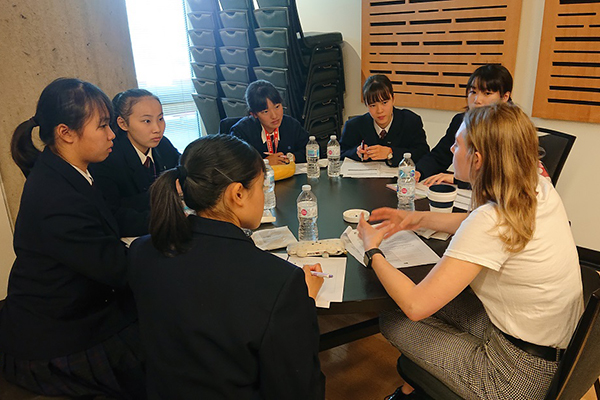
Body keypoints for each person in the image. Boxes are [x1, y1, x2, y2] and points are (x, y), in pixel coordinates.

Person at [358, 102, 583, 400]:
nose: (451, 149)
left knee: (394, 316)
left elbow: (415, 305)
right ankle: (423, 380)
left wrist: (372, 250)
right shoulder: (537, 186)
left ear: (477, 159)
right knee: (445, 301)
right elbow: (474, 223)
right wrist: (415, 218)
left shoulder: (490, 219)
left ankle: (426, 384)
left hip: (516, 377)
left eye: (457, 144)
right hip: (561, 351)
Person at [127, 134, 325, 399]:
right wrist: (304, 300)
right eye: (262, 185)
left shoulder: (142, 251)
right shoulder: (279, 282)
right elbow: (298, 389)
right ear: (238, 193)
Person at [1, 78, 145, 399]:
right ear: (66, 133)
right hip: (59, 336)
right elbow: (119, 269)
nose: (112, 135)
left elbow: (111, 219)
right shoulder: (57, 198)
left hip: (83, 305)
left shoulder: (68, 170)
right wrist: (175, 246)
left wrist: (167, 217)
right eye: (104, 126)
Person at [89, 89, 180, 237]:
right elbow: (113, 215)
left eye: (160, 119)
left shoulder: (162, 144)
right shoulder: (108, 158)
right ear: (123, 124)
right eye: (147, 121)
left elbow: (182, 170)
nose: (157, 129)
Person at [416, 64, 512, 185]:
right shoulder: (461, 122)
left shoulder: (510, 129)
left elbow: (506, 179)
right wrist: (418, 171)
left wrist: (458, 180)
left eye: (487, 93)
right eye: (473, 92)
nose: (477, 100)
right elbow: (440, 156)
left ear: (504, 97)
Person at [339, 74, 429, 167]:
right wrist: (356, 153)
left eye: (384, 103)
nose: (379, 110)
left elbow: (423, 153)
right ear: (366, 105)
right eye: (373, 105)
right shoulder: (353, 125)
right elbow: (340, 153)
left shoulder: (410, 121)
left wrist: (390, 153)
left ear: (393, 99)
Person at [231, 80, 309, 164]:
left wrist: (292, 157)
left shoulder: (291, 124)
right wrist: (265, 163)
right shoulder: (241, 132)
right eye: (265, 111)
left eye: (277, 107)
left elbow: (310, 149)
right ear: (254, 114)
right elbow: (237, 165)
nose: (274, 116)